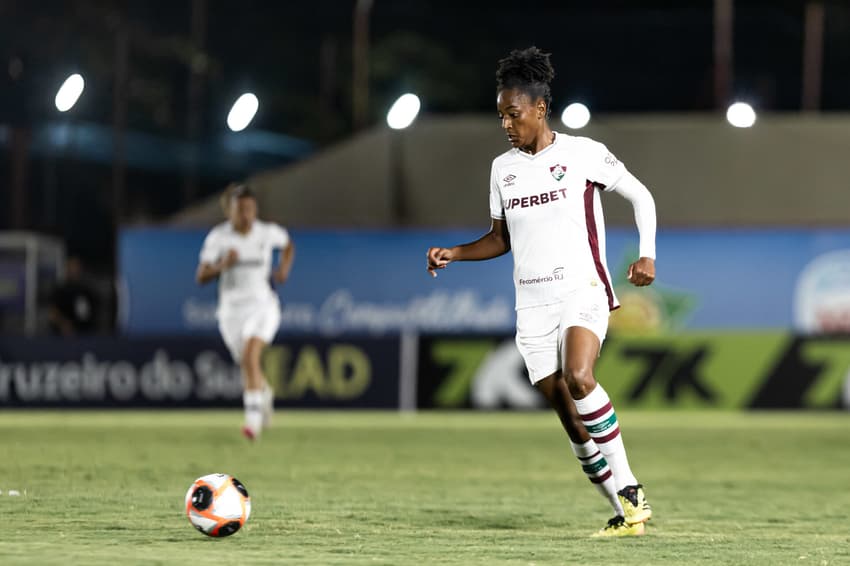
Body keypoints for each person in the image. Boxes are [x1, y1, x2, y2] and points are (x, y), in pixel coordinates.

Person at [426, 47, 657, 537]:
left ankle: (631, 487)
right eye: (501, 116)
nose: (507, 124)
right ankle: (623, 515)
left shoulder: (584, 153)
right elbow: (500, 239)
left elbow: (641, 195)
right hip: (531, 305)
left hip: (582, 288)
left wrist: (647, 253)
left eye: (514, 114)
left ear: (539, 109)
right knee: (572, 421)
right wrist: (454, 253)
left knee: (580, 376)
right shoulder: (502, 170)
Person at [196, 183, 295, 441]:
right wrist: (222, 265)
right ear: (230, 212)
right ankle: (264, 392)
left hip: (263, 305)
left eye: (250, 209)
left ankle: (252, 422)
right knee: (248, 364)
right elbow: (201, 275)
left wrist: (284, 269)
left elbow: (288, 245)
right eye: (240, 210)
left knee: (251, 355)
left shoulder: (266, 232)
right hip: (231, 312)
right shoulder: (218, 238)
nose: (246, 215)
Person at [48, 256, 101, 336]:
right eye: (72, 267)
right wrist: (63, 324)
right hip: (63, 337)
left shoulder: (88, 290)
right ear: (67, 269)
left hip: (87, 335)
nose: (75, 270)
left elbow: (94, 313)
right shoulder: (60, 290)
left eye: (77, 267)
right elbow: (53, 314)